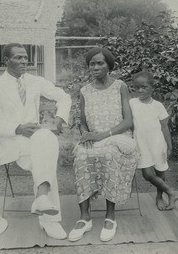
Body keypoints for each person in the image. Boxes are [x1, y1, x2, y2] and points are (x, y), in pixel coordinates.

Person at [0, 43, 71, 239]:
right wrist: (17, 128)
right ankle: (50, 219)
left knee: (45, 139)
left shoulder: (34, 81)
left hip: (37, 140)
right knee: (47, 153)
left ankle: (42, 198)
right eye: (19, 57)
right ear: (6, 60)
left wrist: (61, 118)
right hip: (14, 142)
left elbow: (63, 96)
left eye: (26, 57)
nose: (25, 61)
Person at [68, 47, 139, 242]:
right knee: (81, 155)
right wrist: (87, 135)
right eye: (92, 63)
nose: (96, 67)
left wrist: (103, 135)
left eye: (100, 63)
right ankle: (84, 218)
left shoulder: (120, 86)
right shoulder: (85, 91)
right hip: (94, 137)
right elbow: (82, 122)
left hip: (118, 137)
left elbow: (128, 121)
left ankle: (110, 217)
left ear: (109, 65)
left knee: (109, 155)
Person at [129, 71, 178, 211]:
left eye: (144, 87)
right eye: (137, 87)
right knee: (147, 173)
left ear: (152, 87)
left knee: (160, 169)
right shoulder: (132, 103)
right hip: (141, 143)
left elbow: (164, 128)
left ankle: (159, 197)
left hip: (157, 142)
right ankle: (172, 192)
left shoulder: (158, 105)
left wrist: (169, 146)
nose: (140, 90)